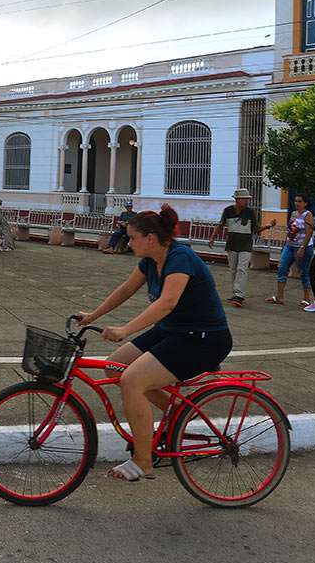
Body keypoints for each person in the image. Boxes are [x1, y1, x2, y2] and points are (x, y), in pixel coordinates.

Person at [75, 205, 232, 481]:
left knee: (133, 381)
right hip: (174, 331)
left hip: (204, 338)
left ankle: (143, 461)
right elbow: (125, 289)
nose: (129, 242)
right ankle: (178, 410)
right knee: (114, 367)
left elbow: (167, 303)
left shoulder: (180, 257)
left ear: (150, 238)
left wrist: (126, 329)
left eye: (132, 237)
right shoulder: (150, 261)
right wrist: (92, 316)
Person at [209, 188, 274, 307]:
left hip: (246, 244)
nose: (246, 201)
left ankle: (239, 294)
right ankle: (235, 293)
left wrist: (268, 226)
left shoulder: (250, 212)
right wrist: (212, 237)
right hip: (232, 244)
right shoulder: (228, 211)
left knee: (242, 269)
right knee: (233, 269)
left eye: (247, 199)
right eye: (244, 199)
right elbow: (220, 224)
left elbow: (256, 229)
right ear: (237, 199)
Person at [266, 194, 315, 306]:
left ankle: (307, 298)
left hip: (303, 247)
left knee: (304, 271)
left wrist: (303, 247)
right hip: (290, 245)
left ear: (305, 203)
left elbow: (309, 232)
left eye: (300, 201)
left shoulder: (308, 215)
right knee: (282, 268)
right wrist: (286, 242)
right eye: (295, 201)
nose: (297, 203)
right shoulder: (293, 213)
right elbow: (290, 230)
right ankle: (279, 297)